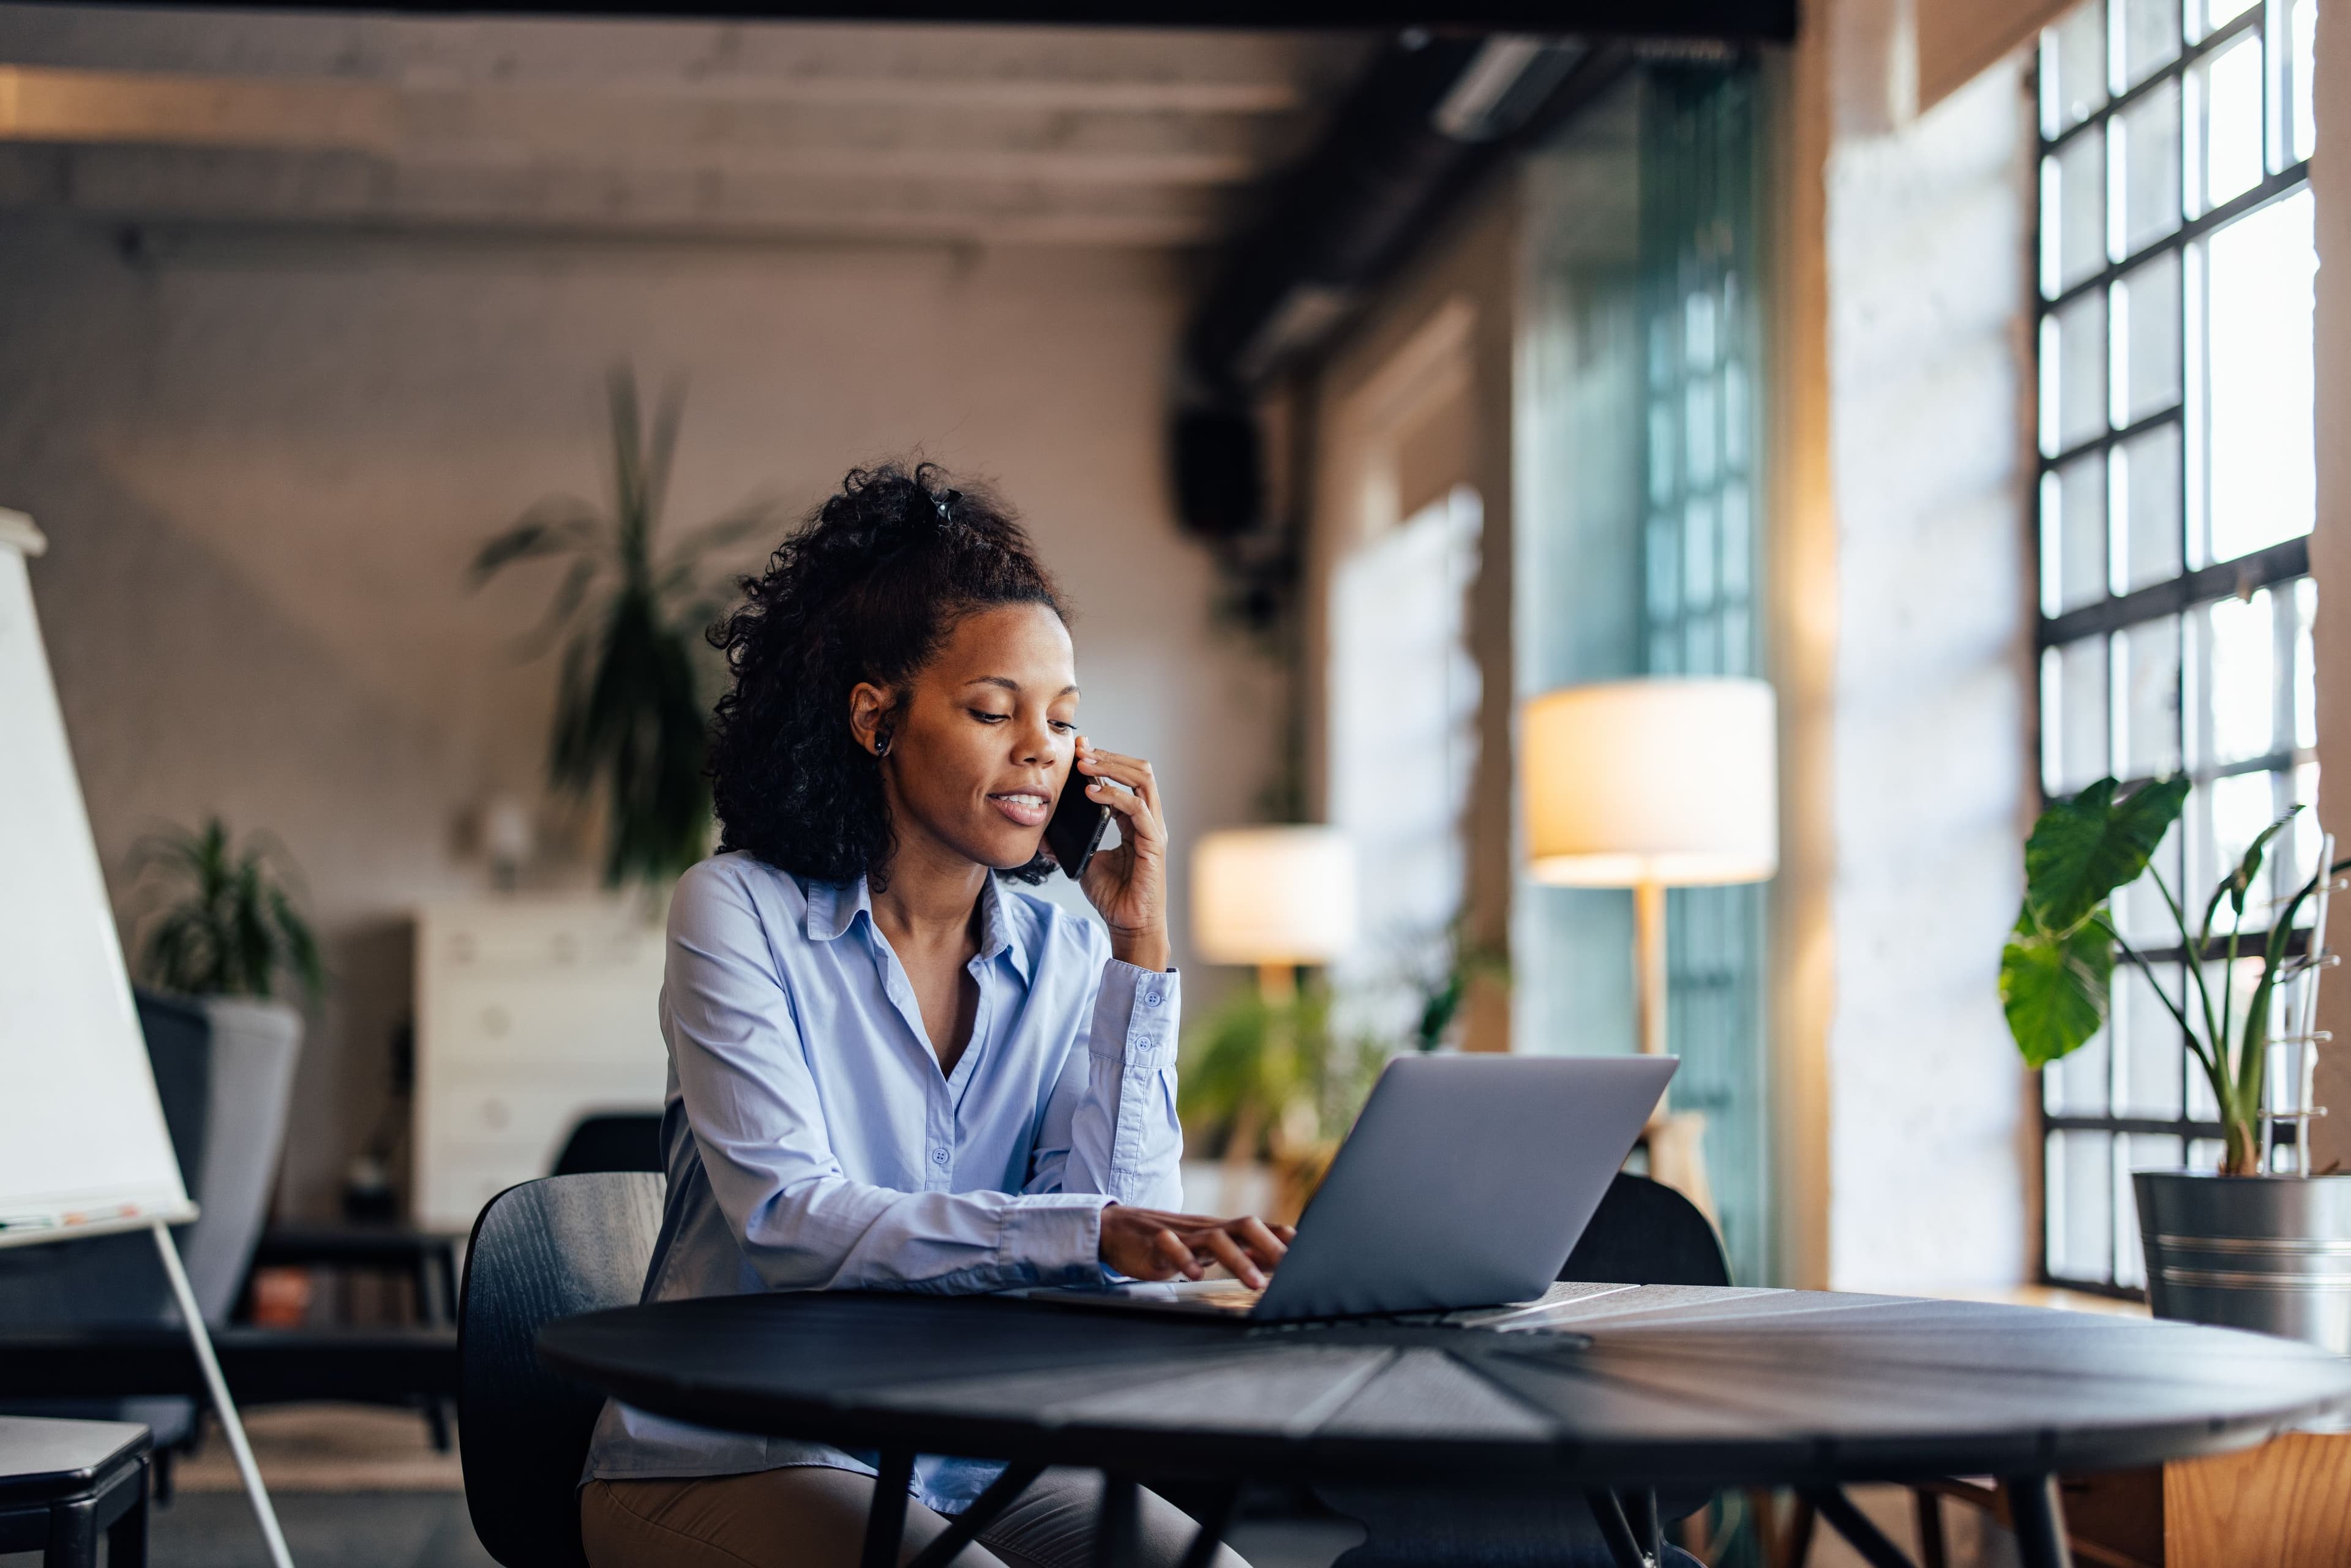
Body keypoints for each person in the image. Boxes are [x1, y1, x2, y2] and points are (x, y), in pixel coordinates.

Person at [580, 462, 1292, 1568]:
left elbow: (1127, 1230)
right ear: (876, 718)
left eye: (1061, 720)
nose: (1040, 751)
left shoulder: (1064, 950)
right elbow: (790, 1221)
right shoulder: (735, 912)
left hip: (980, 1458)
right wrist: (1086, 1231)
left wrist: (1139, 952)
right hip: (737, 1453)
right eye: (992, 710)